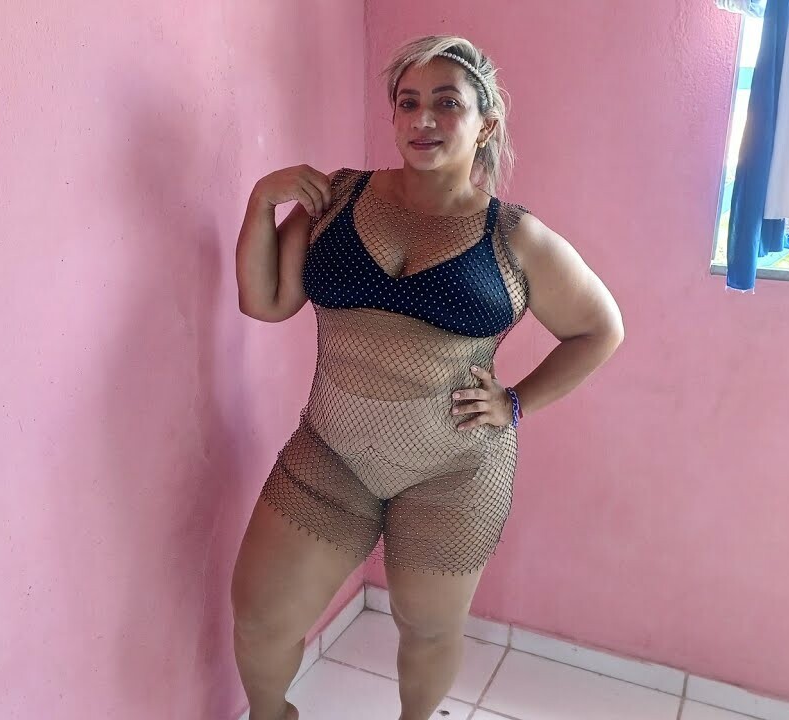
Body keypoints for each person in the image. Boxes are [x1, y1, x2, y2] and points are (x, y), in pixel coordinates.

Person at [230, 34, 624, 720]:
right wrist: (262, 200)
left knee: (428, 629)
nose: (424, 119)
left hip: (455, 473)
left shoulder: (513, 235)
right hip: (330, 456)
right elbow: (264, 301)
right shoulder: (336, 198)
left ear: (485, 125)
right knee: (260, 617)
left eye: (447, 103)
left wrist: (516, 402)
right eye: (408, 103)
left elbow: (600, 329)